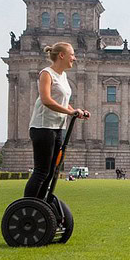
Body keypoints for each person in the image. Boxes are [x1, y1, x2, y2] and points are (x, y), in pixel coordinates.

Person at [23, 42, 89, 199]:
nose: (74, 58)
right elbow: (46, 100)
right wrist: (70, 112)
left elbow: (63, 101)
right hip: (43, 127)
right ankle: (28, 205)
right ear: (62, 55)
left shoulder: (63, 76)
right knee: (41, 171)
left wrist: (76, 111)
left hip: (58, 128)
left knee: (51, 171)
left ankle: (40, 204)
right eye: (72, 54)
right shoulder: (46, 73)